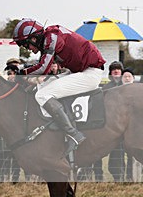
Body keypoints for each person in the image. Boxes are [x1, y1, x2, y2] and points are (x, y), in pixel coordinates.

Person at [12, 18, 106, 155]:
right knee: (42, 87)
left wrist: (21, 73)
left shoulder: (51, 39)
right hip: (81, 71)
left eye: (27, 46)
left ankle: (73, 134)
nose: (30, 50)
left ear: (33, 38)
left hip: (90, 73)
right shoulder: (49, 37)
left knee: (42, 95)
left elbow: (43, 68)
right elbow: (43, 71)